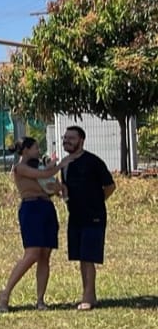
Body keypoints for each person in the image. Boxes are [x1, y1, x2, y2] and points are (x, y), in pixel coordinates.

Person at [0, 138, 76, 312]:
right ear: (25, 150)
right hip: (31, 209)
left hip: (46, 207)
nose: (38, 151)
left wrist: (57, 187)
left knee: (44, 255)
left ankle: (40, 300)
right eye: (35, 148)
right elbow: (44, 176)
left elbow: (50, 183)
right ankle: (5, 293)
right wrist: (61, 164)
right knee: (32, 254)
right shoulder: (20, 168)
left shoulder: (39, 167)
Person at [59, 125, 116, 310]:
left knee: (89, 256)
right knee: (81, 256)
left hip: (94, 216)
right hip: (75, 216)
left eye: (71, 138)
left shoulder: (93, 162)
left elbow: (110, 186)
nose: (66, 141)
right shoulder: (65, 163)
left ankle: (88, 297)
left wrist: (97, 202)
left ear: (81, 140)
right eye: (65, 138)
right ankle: (89, 294)